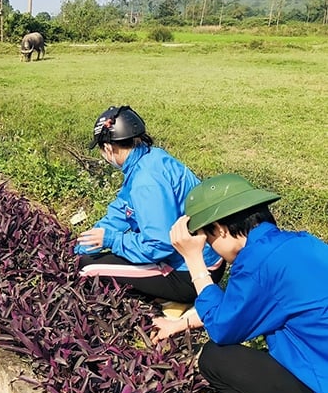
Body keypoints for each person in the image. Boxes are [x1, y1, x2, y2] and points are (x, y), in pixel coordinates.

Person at [152, 174, 328, 393]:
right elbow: (250, 306)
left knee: (215, 359)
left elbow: (223, 329)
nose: (207, 246)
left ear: (220, 229)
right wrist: (182, 322)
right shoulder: (301, 244)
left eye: (207, 239)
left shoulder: (259, 264)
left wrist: (194, 262)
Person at [74, 106, 223, 310]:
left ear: (108, 148)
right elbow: (122, 208)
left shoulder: (146, 181)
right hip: (205, 257)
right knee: (93, 256)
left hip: (190, 272)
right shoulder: (149, 158)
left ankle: (176, 300)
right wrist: (92, 237)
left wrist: (112, 240)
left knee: (87, 267)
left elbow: (159, 246)